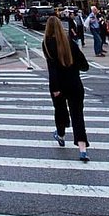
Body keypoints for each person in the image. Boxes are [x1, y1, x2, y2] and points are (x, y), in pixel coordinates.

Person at [42, 15, 90, 162]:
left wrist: (55, 88)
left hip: (59, 85)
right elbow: (85, 66)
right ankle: (82, 149)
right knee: (78, 116)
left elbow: (52, 69)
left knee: (60, 111)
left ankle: (61, 135)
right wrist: (73, 67)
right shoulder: (70, 42)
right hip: (75, 84)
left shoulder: (46, 43)